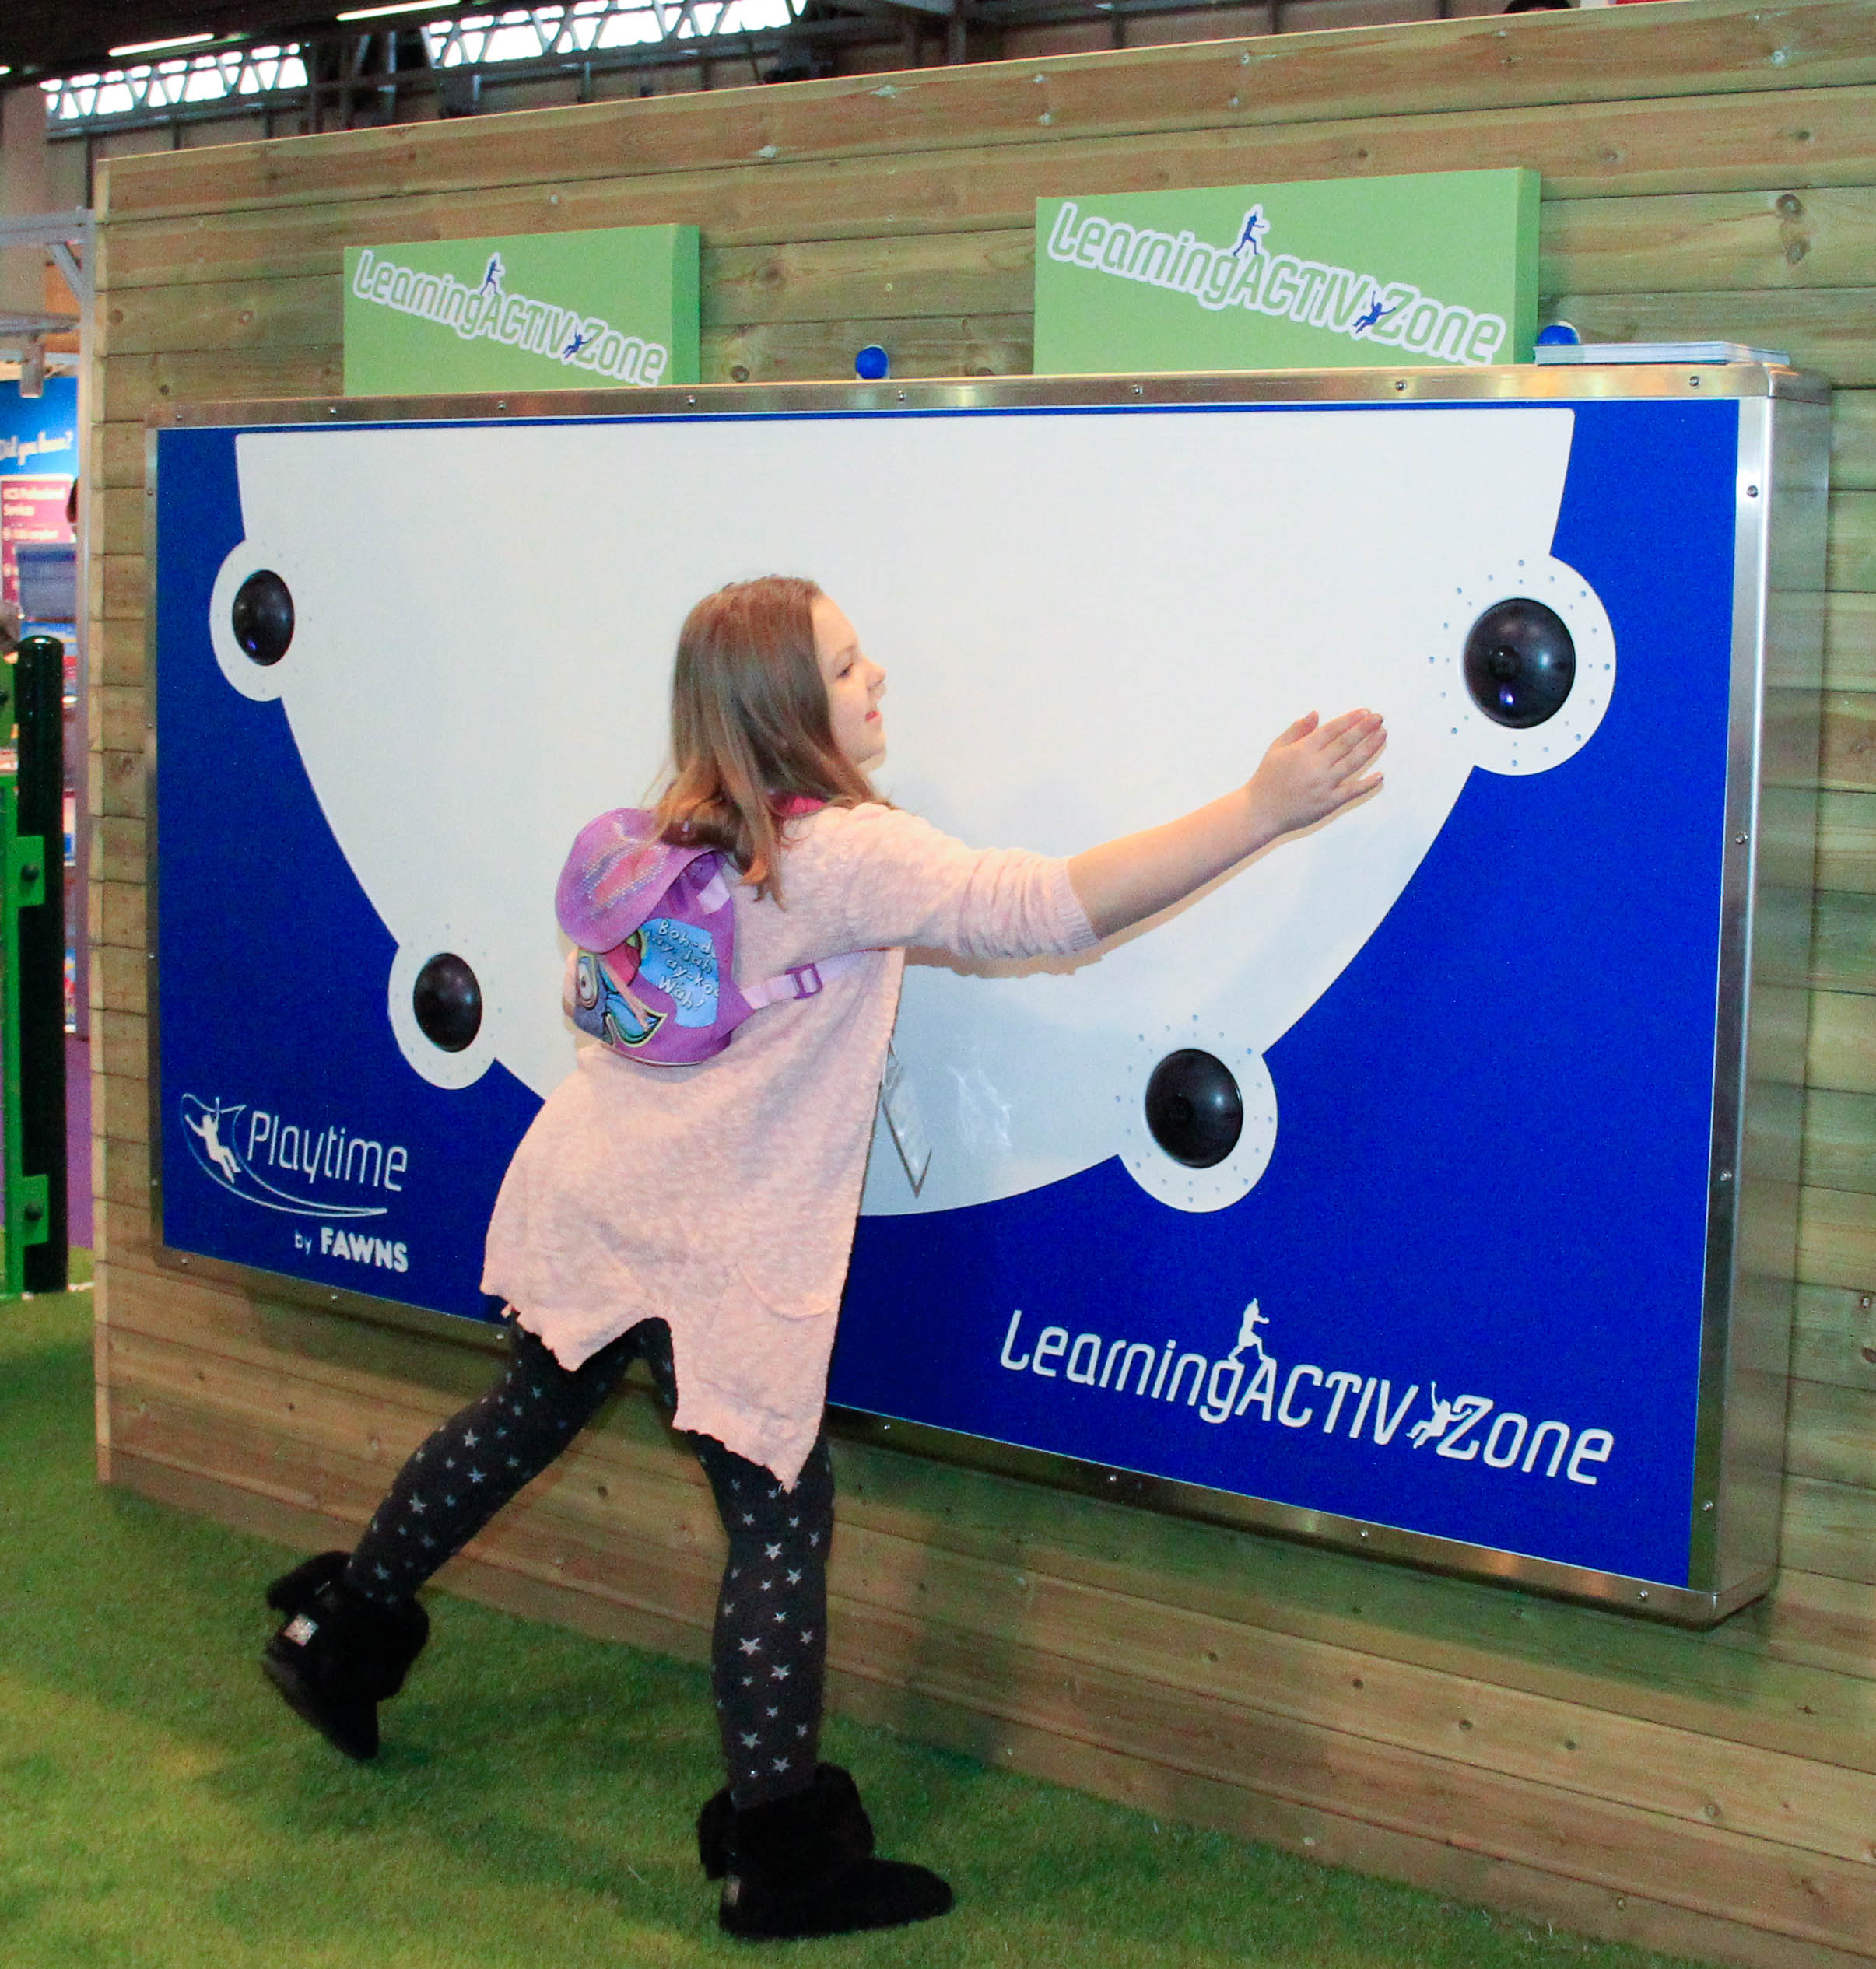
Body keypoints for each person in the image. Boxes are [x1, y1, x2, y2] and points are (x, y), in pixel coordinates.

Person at [259, 575, 1385, 1939]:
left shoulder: (676, 825)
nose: (877, 682)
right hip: (717, 1234)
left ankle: (340, 1635)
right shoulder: (842, 851)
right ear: (790, 704)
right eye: (849, 667)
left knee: (522, 1416)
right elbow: (1044, 908)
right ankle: (781, 1856)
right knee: (780, 1515)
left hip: (597, 1191)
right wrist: (1261, 811)